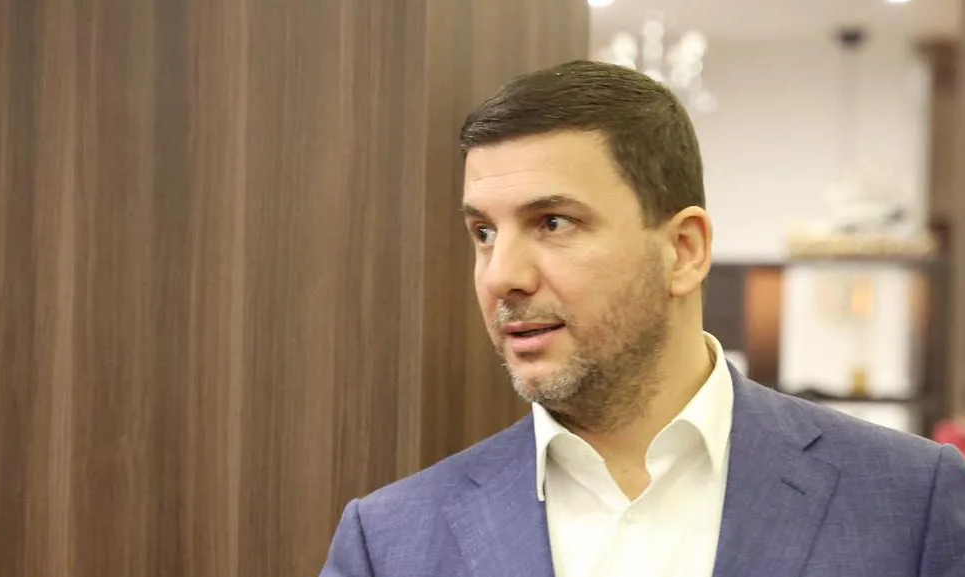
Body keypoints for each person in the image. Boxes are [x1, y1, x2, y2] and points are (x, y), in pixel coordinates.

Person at [319, 60, 965, 577]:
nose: (499, 276)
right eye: (484, 232)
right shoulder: (390, 542)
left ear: (684, 251)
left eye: (553, 222)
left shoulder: (913, 501)